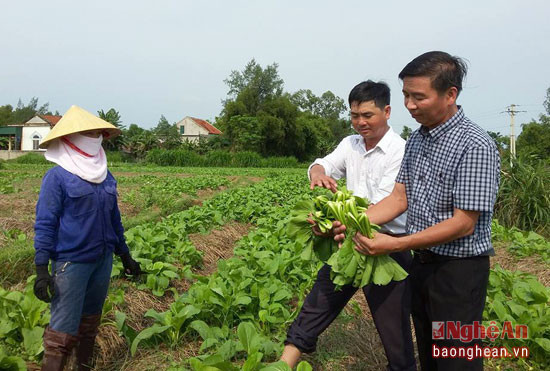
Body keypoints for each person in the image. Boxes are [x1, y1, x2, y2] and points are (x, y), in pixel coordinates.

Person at [337, 52, 501, 370]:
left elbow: (463, 224)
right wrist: (352, 222)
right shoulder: (416, 141)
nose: (409, 105)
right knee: (429, 355)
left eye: (418, 97)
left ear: (450, 94)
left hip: (459, 272)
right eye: (406, 96)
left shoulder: (475, 145)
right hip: (422, 266)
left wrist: (395, 244)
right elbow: (399, 199)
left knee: (457, 360)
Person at [281, 81, 416, 371]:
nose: (360, 122)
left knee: (394, 334)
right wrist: (317, 173)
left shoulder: (400, 150)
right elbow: (323, 164)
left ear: (387, 111)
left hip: (386, 247)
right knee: (318, 303)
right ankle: (283, 365)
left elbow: (383, 205)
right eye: (355, 115)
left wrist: (331, 222)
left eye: (368, 115)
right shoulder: (350, 143)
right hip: (349, 242)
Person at [33, 105, 142, 371]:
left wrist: (125, 255)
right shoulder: (57, 177)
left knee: (89, 324)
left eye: (98, 133)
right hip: (72, 262)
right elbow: (45, 223)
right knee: (62, 332)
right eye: (88, 132)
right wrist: (41, 268)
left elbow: (113, 220)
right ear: (70, 137)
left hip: (102, 261)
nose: (95, 137)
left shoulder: (105, 175)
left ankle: (83, 367)